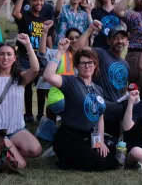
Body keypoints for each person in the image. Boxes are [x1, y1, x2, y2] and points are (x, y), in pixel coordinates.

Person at [42, 40, 120, 171]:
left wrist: (100, 141)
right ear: (77, 66)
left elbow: (100, 117)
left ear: (95, 65)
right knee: (99, 164)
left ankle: (79, 156)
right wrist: (60, 52)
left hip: (89, 136)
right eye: (82, 63)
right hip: (69, 137)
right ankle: (65, 160)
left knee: (112, 161)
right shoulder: (70, 82)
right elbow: (48, 76)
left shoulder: (98, 89)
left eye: (90, 62)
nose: (86, 66)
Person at [0, 34, 42, 168]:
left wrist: (28, 45)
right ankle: (3, 150)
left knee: (35, 150)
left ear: (15, 58)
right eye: (1, 54)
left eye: (9, 54)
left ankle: (7, 149)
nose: (5, 57)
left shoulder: (20, 79)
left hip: (15, 128)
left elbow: (35, 69)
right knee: (21, 164)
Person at [77, 22, 131, 137]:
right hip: (100, 105)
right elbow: (78, 48)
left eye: (122, 38)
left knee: (111, 141)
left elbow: (123, 88)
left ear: (127, 41)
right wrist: (90, 28)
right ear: (108, 41)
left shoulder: (126, 64)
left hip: (116, 108)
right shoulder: (101, 54)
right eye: (115, 38)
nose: (120, 41)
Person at [12, 0, 54, 123]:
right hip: (25, 56)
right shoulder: (25, 16)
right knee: (27, 85)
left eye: (41, 0)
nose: (38, 3)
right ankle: (28, 113)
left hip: (40, 57)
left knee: (41, 85)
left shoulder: (44, 19)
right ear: (29, 1)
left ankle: (41, 114)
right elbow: (15, 13)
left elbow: (48, 38)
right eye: (35, 0)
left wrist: (49, 57)